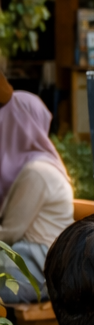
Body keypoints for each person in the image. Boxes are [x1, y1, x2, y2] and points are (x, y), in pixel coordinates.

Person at [0, 76, 73, 303]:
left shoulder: (37, 171)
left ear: (15, 124)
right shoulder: (36, 165)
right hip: (34, 263)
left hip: (38, 269)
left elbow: (9, 233)